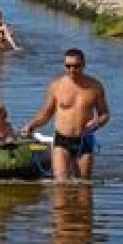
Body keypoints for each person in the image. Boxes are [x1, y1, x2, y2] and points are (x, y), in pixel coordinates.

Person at [21, 47, 112, 181]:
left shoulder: (95, 87)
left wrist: (97, 122)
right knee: (60, 185)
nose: (72, 70)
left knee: (84, 186)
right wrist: (31, 126)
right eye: (68, 66)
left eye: (76, 66)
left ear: (84, 64)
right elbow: (46, 113)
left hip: (84, 140)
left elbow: (105, 114)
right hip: (62, 141)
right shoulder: (56, 86)